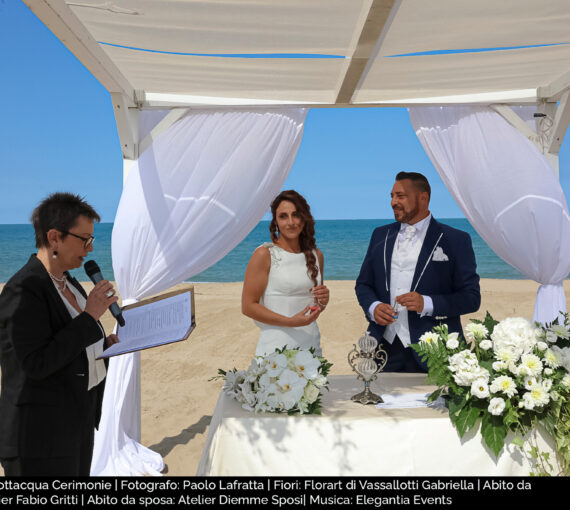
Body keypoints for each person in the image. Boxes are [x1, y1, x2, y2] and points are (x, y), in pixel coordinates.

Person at [0, 192, 119, 476]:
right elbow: (36, 363)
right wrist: (90, 316)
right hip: (39, 437)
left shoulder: (68, 281)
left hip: (76, 423)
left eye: (92, 240)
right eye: (84, 239)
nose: (89, 249)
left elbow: (72, 345)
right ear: (54, 237)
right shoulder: (23, 290)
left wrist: (105, 347)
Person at [355, 172, 480, 372]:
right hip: (383, 348)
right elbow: (364, 284)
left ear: (423, 198)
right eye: (392, 196)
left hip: (436, 352)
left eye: (400, 196)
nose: (393, 202)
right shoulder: (380, 235)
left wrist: (427, 303)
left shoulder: (456, 240)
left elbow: (471, 298)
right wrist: (374, 307)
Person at [242, 190, 330, 356]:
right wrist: (290, 322)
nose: (290, 222)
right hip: (276, 348)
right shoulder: (264, 254)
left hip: (310, 345)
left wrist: (323, 301)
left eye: (295, 215)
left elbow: (313, 305)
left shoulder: (317, 255)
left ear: (304, 218)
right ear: (275, 222)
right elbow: (248, 306)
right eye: (283, 216)